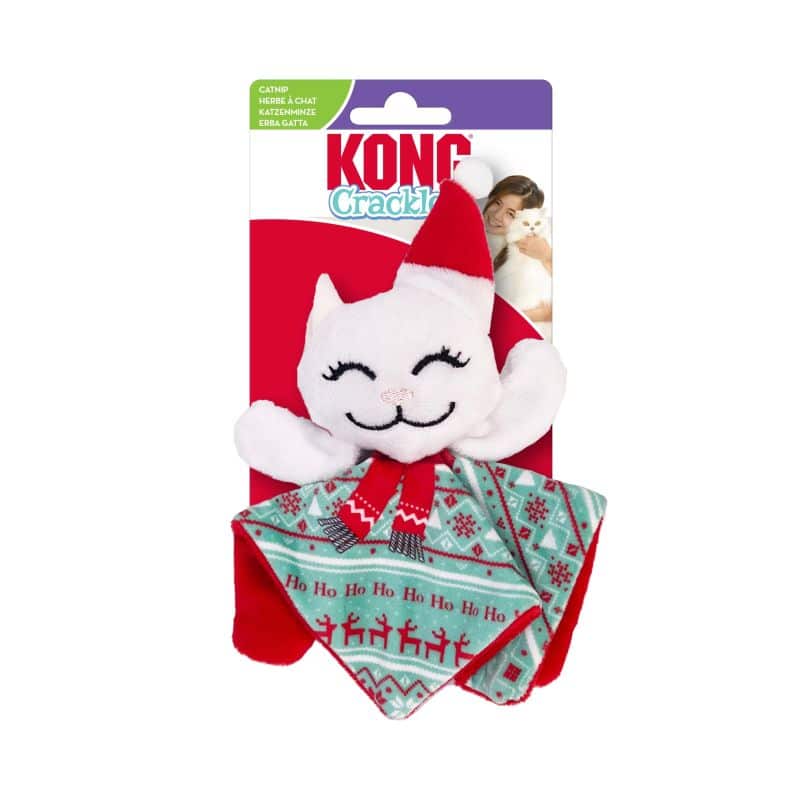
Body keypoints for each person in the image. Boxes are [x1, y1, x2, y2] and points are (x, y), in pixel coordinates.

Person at [483, 176, 552, 327]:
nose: (497, 215)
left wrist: (547, 256)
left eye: (510, 214)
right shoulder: (466, 221)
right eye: (497, 203)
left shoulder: (522, 251)